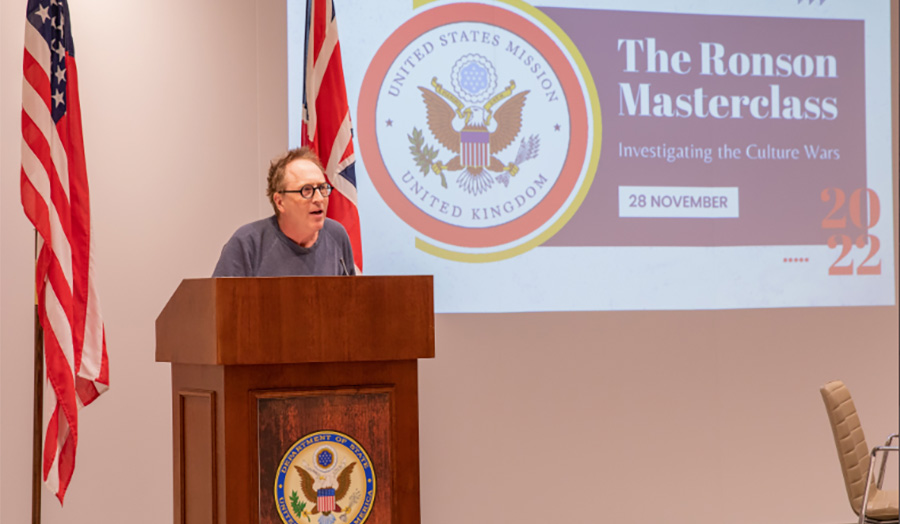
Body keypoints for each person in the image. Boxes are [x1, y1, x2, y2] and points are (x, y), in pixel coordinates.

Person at [212, 147, 356, 277]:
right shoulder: (247, 243)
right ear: (280, 202)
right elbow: (220, 304)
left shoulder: (337, 235)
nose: (319, 198)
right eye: (306, 190)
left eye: (322, 188)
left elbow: (351, 301)